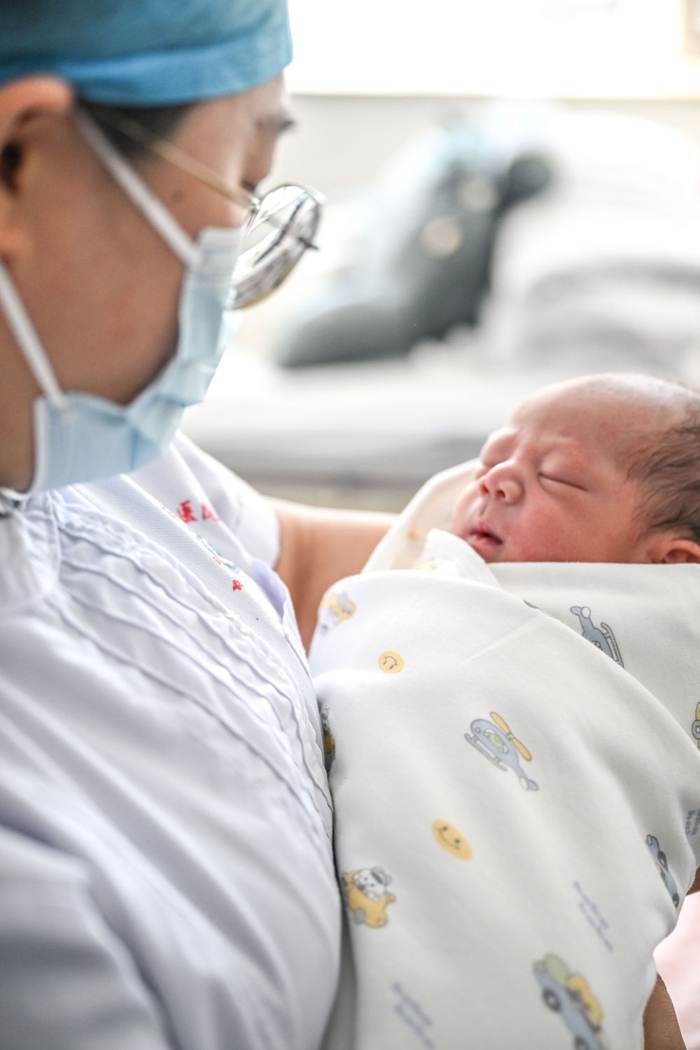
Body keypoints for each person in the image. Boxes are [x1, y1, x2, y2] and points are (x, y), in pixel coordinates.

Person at [0, 3, 395, 1048]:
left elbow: (299, 566)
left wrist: (620, 602)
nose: (241, 259)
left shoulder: (81, 432)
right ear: (17, 160)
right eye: (243, 188)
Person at [312, 373, 700, 1049]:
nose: (494, 483)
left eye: (558, 479)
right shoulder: (439, 589)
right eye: (492, 462)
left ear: (667, 565)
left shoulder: (658, 641)